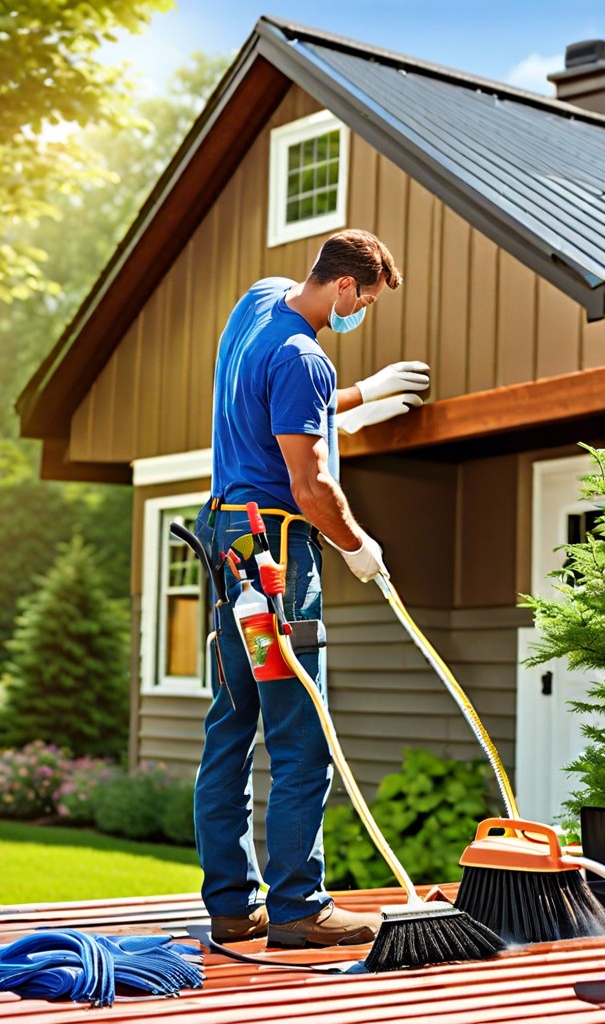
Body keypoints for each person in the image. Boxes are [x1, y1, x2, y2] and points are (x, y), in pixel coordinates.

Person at [193, 229, 430, 948]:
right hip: (276, 556)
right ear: (347, 288)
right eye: (366, 302)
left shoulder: (258, 300)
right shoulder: (306, 358)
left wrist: (355, 399)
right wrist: (359, 547)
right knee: (301, 732)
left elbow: (271, 409)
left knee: (230, 724)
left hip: (222, 536)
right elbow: (311, 484)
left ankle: (232, 906)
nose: (362, 315)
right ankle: (299, 909)